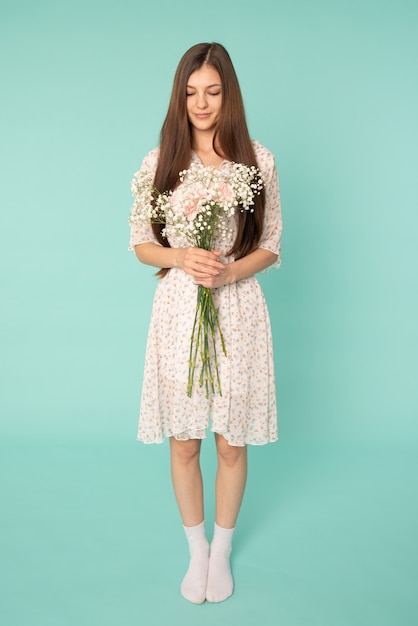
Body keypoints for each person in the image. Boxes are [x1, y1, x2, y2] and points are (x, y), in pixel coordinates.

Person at [129, 42, 282, 604]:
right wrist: (180, 257)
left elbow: (271, 246)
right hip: (177, 312)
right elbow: (141, 244)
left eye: (213, 91)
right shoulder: (159, 162)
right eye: (192, 92)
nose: (202, 102)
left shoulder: (257, 160)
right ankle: (196, 553)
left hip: (237, 311)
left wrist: (227, 272)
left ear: (229, 94)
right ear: (180, 95)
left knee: (231, 441)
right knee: (186, 441)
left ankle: (222, 551)